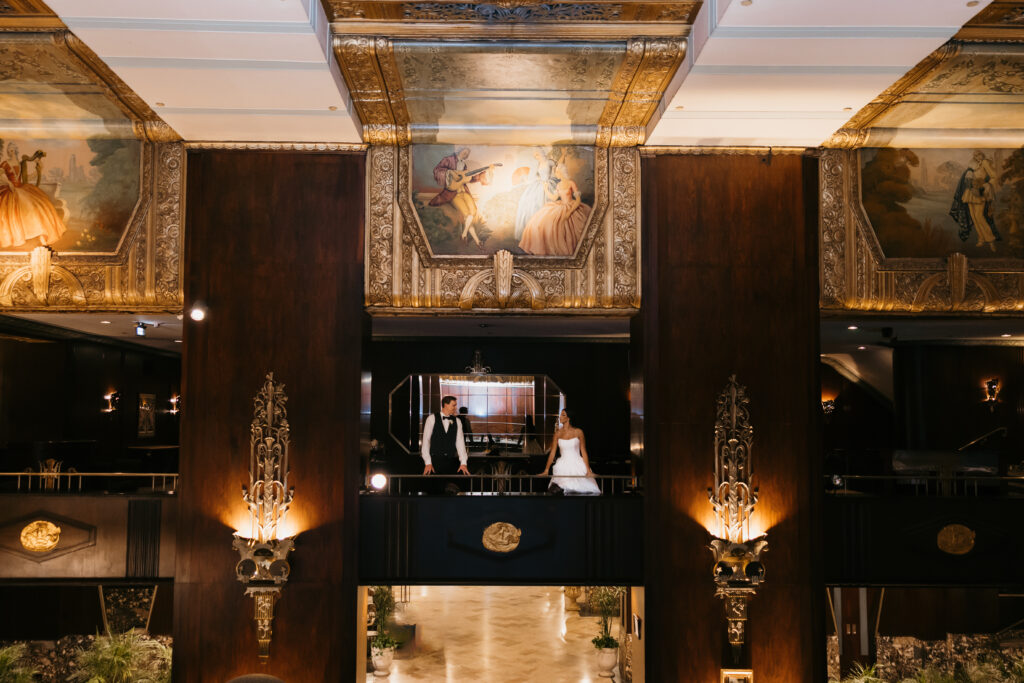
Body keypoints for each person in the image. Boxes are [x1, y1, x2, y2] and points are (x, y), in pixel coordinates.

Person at [0, 140, 66, 249]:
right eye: (10, 150)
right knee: (21, 207)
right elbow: (1, 175)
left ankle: (42, 234)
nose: (12, 152)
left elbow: (27, 178)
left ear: (16, 150)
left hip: (21, 187)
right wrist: (8, 183)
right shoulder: (5, 163)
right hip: (11, 190)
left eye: (13, 150)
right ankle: (16, 236)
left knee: (40, 205)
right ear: (8, 151)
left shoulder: (20, 164)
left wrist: (38, 170)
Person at [518, 162, 590, 256]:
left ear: (562, 172)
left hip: (571, 206)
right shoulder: (558, 184)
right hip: (559, 206)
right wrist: (546, 189)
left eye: (557, 172)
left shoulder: (571, 183)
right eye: (555, 172)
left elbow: (578, 200)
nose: (556, 174)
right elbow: (554, 198)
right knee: (541, 222)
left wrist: (569, 212)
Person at [428, 147, 495, 248]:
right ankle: (477, 241)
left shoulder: (464, 165)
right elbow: (437, 170)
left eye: (467, 153)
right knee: (467, 215)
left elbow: (468, 178)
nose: (466, 154)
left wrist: (487, 171)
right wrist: (449, 173)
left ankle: (463, 234)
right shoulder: (448, 160)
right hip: (453, 193)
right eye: (464, 152)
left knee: (473, 212)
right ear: (459, 151)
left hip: (464, 191)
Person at [539, 408, 600, 495]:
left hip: (577, 463)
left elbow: (583, 451)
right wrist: (546, 470)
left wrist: (588, 470)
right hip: (562, 465)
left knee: (582, 488)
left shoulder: (578, 432)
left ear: (568, 418)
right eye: (560, 414)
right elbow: (552, 453)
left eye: (563, 415)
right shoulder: (557, 434)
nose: (560, 417)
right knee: (561, 488)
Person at [950, 150, 1000, 252]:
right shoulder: (972, 166)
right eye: (975, 155)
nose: (977, 157)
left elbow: (994, 176)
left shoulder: (985, 163)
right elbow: (968, 178)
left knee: (979, 216)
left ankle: (990, 240)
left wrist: (987, 185)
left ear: (982, 154)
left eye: (978, 154)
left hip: (980, 192)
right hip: (970, 192)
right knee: (974, 217)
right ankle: (981, 238)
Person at [421, 395, 470, 491]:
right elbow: (426, 441)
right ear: (445, 405)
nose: (456, 408)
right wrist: (428, 462)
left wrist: (463, 462)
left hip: (450, 462)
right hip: (434, 462)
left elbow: (460, 443)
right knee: (434, 492)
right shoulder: (431, 419)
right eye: (453, 405)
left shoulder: (458, 421)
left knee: (452, 491)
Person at [514, 148, 557, 240]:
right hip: (539, 183)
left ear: (541, 154)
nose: (536, 157)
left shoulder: (549, 162)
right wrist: (529, 180)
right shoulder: (538, 164)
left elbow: (555, 172)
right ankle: (533, 232)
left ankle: (545, 233)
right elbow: (537, 176)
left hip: (548, 183)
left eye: (537, 155)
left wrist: (550, 180)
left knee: (543, 205)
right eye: (535, 156)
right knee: (526, 202)